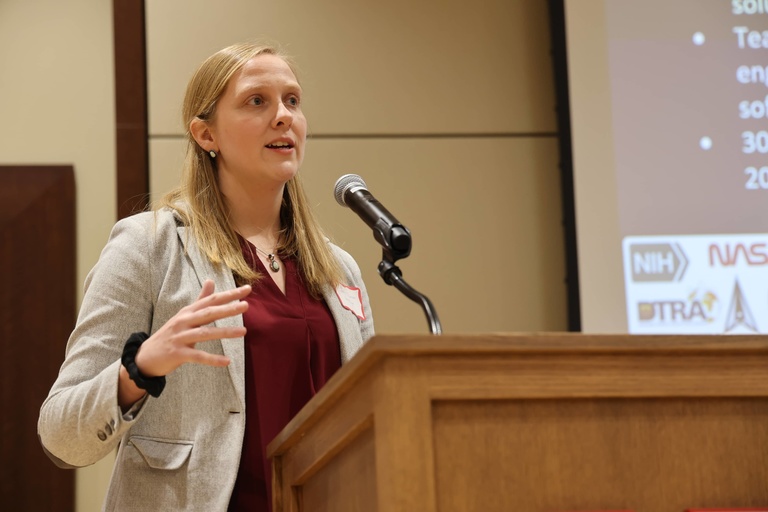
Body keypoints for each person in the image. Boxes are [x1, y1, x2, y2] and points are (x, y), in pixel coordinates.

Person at [38, 42, 374, 511]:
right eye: (257, 101)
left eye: (292, 101)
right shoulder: (149, 247)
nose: (283, 116)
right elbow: (61, 435)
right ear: (205, 134)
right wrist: (140, 369)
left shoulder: (339, 269)